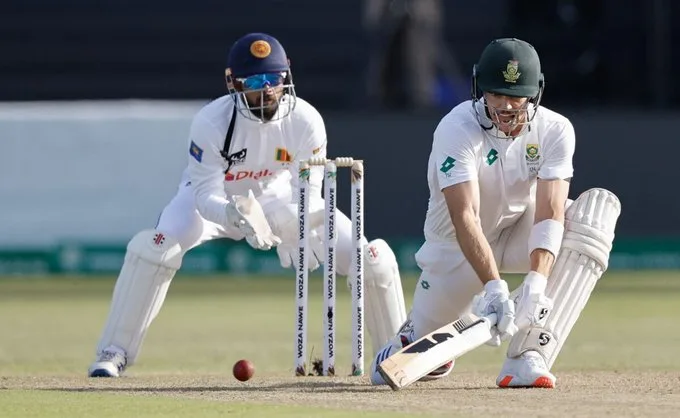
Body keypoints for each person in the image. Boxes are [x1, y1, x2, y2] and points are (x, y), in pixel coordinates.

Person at [88, 32, 406, 377]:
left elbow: (311, 190)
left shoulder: (306, 120)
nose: (267, 88)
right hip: (213, 201)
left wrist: (293, 227)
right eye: (255, 80)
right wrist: (231, 214)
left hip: (279, 197)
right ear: (232, 82)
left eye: (274, 78)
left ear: (287, 75)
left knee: (372, 258)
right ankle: (114, 351)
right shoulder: (211, 122)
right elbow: (203, 191)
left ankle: (396, 357)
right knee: (154, 248)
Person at [370, 38, 621, 388]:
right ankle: (408, 338)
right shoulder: (456, 129)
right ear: (479, 89)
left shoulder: (555, 129)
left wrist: (536, 282)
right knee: (424, 365)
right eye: (496, 94)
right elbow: (465, 218)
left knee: (591, 217)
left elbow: (549, 211)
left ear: (535, 94)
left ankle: (528, 356)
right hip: (455, 252)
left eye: (515, 97)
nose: (505, 107)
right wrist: (493, 287)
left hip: (517, 229)